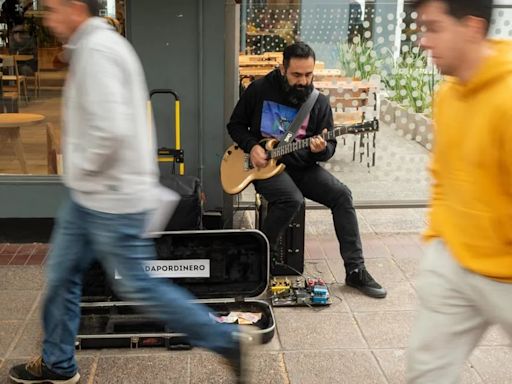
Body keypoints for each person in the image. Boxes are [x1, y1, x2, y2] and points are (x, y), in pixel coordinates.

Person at [8, 1, 252, 383]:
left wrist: (78, 166)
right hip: (91, 196)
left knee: (137, 285)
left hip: (110, 198)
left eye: (54, 8)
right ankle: (57, 363)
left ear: (75, 7)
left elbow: (111, 130)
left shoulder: (99, 51)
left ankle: (226, 339)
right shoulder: (92, 47)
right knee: (62, 275)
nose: (48, 19)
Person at [227, 42, 387, 299]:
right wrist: (252, 146)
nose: (303, 81)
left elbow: (329, 147)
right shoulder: (259, 90)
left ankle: (355, 269)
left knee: (342, 195)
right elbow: (235, 125)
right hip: (266, 167)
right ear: (282, 69)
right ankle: (258, 263)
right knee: (291, 199)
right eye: (297, 75)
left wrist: (319, 150)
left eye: (309, 75)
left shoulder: (318, 102)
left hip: (301, 165)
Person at [406, 0, 512, 382]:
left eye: (433, 28)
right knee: (425, 372)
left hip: (507, 274)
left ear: (471, 27)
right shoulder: (448, 96)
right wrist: (439, 238)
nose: (423, 41)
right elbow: (444, 174)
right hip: (453, 261)